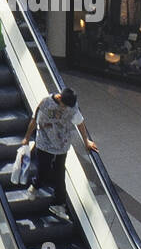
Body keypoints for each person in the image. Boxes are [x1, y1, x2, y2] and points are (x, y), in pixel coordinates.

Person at [22, 86, 98, 219]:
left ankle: (59, 203)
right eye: (64, 106)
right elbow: (35, 119)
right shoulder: (46, 102)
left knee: (59, 172)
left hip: (62, 144)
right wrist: (27, 137)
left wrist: (86, 141)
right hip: (44, 142)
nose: (65, 109)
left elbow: (80, 123)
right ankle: (35, 185)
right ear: (59, 98)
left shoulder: (72, 107)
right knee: (44, 168)